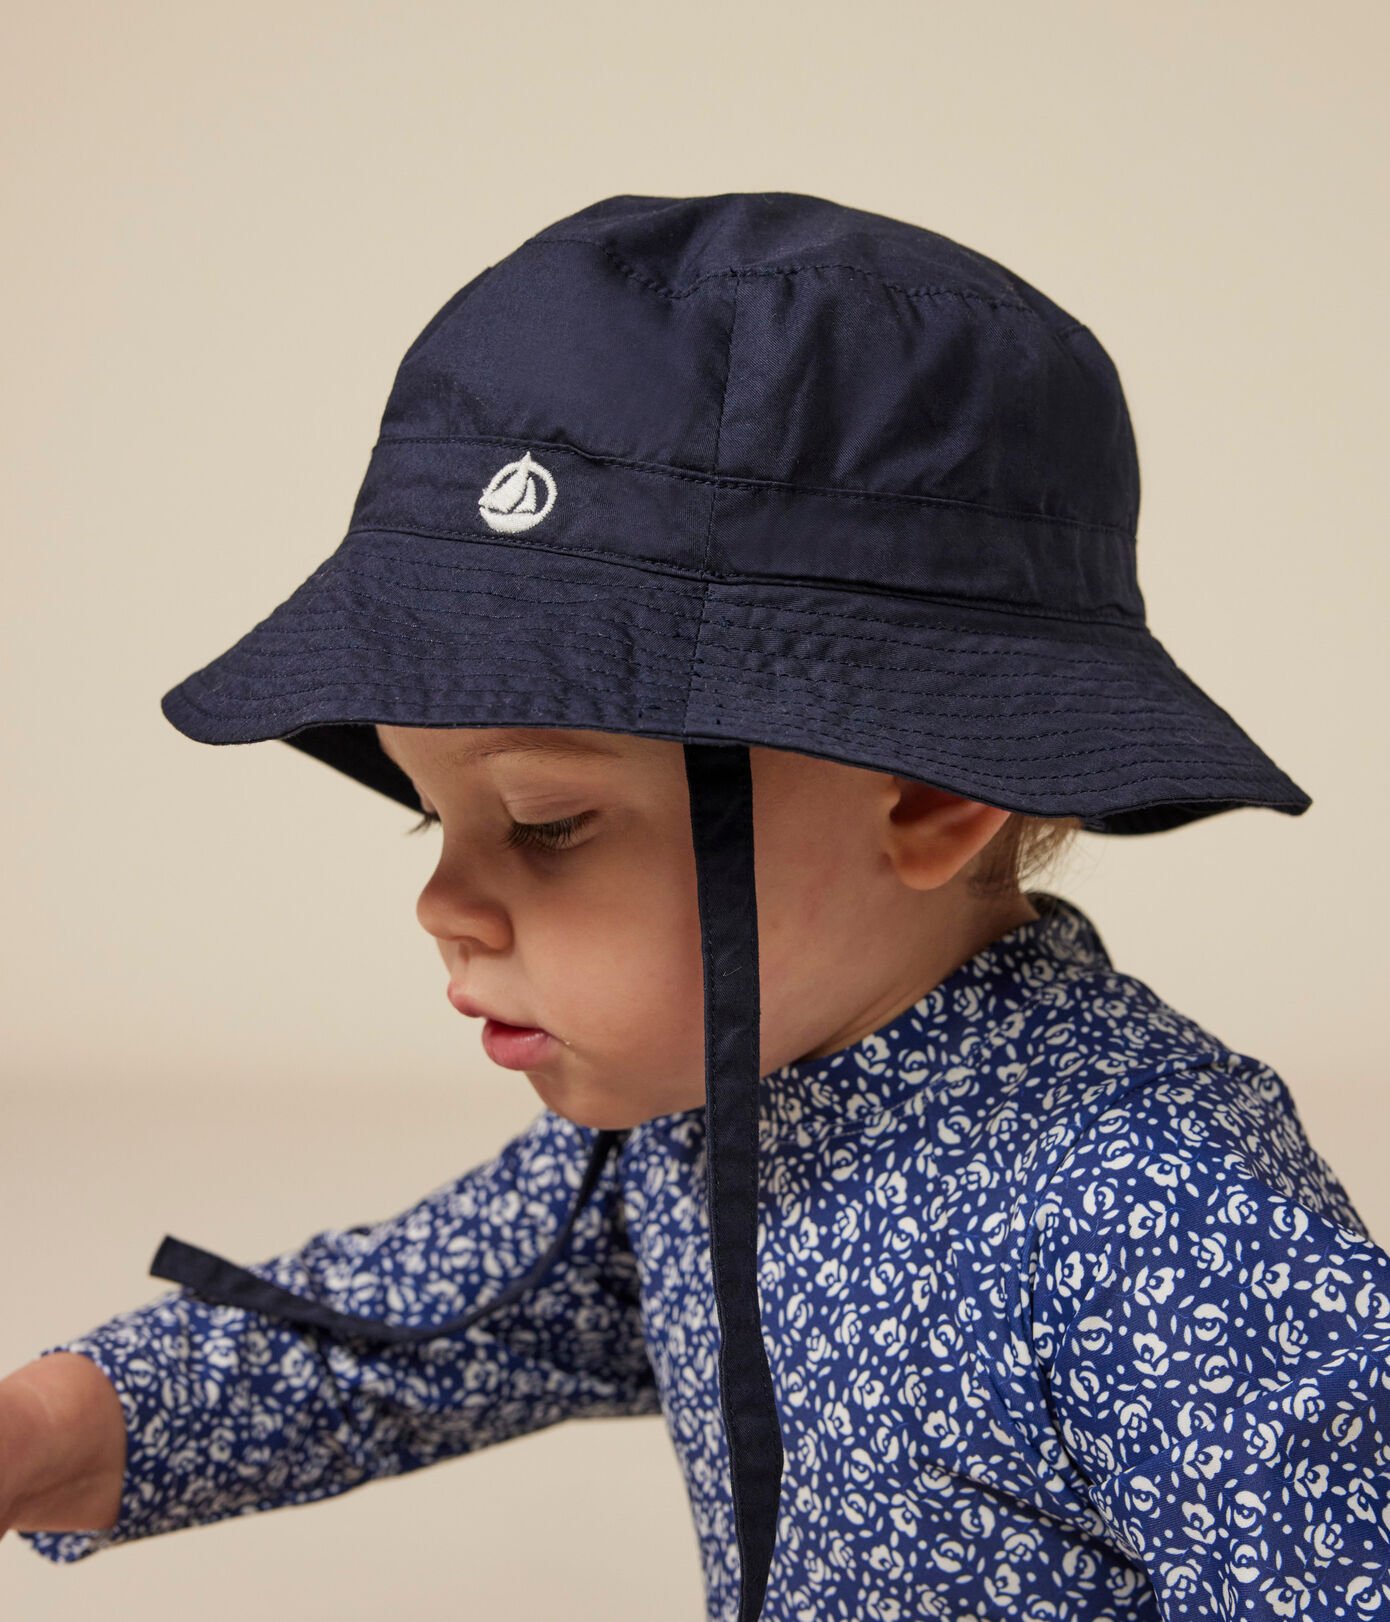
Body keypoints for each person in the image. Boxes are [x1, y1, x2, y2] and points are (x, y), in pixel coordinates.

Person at [4, 192, 1387, 1620]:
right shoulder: (691, 1125)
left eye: (547, 823)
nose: (443, 902)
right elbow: (395, 1334)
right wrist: (40, 1434)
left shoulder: (1154, 1213)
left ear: (927, 796)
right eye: (432, 811)